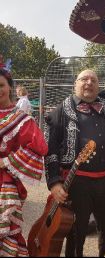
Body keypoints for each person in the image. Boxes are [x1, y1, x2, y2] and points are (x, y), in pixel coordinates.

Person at [44, 42, 105, 257]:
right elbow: (50, 149)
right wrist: (54, 183)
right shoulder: (60, 111)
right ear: (75, 85)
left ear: (98, 85)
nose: (89, 82)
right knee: (76, 233)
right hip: (76, 182)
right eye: (84, 79)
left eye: (93, 79)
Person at [0, 60, 48, 256]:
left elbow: (40, 147)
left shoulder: (20, 118)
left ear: (10, 87)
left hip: (4, 185)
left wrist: (5, 162)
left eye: (1, 85)